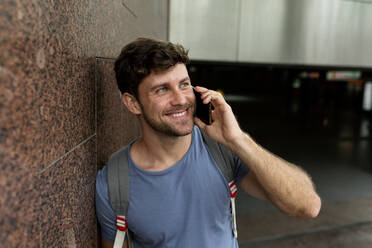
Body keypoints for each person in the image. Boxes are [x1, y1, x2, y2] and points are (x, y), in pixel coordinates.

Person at [95, 38, 321, 248]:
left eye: (184, 84)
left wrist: (238, 139)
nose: (181, 99)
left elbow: (307, 206)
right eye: (162, 89)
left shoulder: (221, 151)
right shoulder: (114, 183)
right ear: (133, 103)